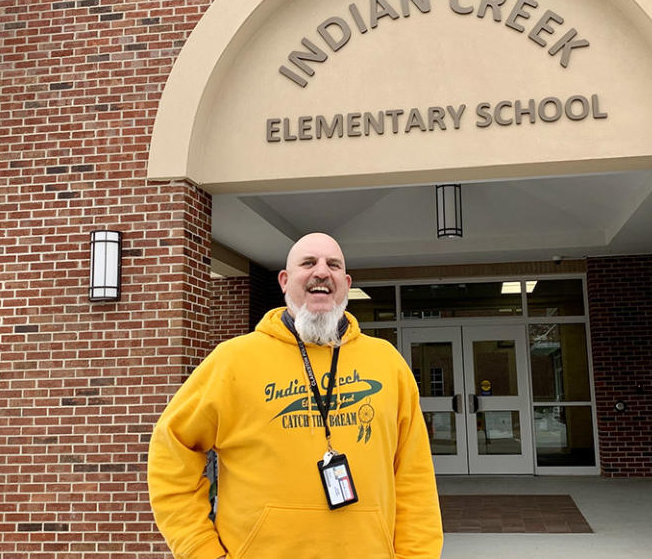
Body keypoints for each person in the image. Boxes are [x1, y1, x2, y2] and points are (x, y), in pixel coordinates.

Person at [147, 232, 443, 558]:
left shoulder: (388, 364)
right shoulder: (232, 360)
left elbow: (414, 477)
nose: (321, 272)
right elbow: (171, 450)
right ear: (285, 281)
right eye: (308, 263)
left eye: (333, 264)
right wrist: (200, 549)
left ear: (346, 282)